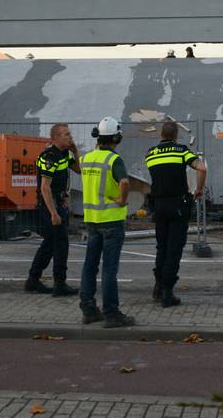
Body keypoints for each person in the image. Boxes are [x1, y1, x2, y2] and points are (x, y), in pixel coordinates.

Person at [79, 117, 135, 328]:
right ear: (116, 138)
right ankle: (111, 313)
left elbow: (78, 169)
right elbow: (125, 182)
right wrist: (122, 200)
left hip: (92, 220)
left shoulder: (87, 158)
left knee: (89, 266)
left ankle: (88, 310)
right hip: (111, 220)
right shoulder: (114, 160)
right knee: (109, 269)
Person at [145, 121, 207, 308]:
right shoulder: (181, 151)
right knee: (174, 248)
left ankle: (157, 287)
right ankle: (167, 292)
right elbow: (201, 168)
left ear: (161, 135)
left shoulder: (150, 153)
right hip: (178, 205)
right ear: (176, 135)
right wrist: (199, 189)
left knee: (161, 247)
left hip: (159, 205)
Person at [26, 123, 80, 296]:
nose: (70, 137)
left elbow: (79, 170)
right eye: (66, 134)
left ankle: (33, 280)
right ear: (56, 138)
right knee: (61, 244)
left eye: (70, 134)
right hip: (51, 204)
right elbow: (45, 188)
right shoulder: (50, 157)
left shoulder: (64, 154)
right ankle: (59, 283)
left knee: (49, 243)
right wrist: (54, 213)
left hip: (58, 202)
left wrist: (76, 152)